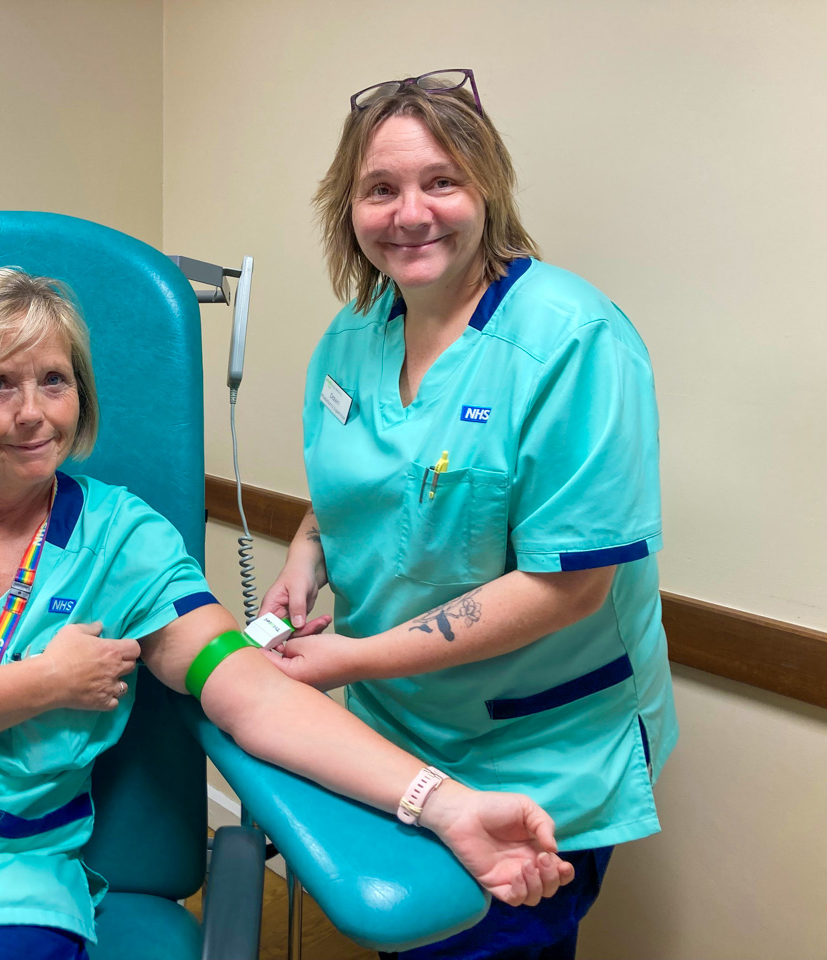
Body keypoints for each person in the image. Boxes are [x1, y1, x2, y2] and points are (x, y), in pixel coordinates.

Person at [0, 268, 572, 960]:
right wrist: (47, 680)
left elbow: (249, 693)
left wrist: (440, 802)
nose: (31, 415)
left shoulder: (124, 543)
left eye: (54, 380)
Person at [261, 71, 678, 960]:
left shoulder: (572, 340)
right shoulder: (354, 332)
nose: (411, 213)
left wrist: (352, 659)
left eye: (440, 181)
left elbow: (569, 588)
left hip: (535, 745)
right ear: (350, 207)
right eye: (381, 189)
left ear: (488, 188)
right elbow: (370, 483)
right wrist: (307, 551)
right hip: (393, 735)